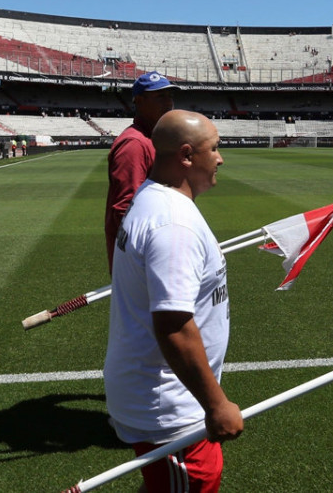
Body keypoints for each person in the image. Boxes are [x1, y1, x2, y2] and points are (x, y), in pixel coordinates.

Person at [104, 110, 239, 493]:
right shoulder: (174, 225)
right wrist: (217, 404)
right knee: (192, 484)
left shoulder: (154, 199)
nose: (220, 157)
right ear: (186, 155)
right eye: (214, 148)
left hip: (164, 394)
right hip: (169, 407)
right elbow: (174, 327)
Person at [104, 71, 178, 273]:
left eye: (170, 96)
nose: (168, 103)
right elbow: (126, 209)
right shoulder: (134, 144)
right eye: (160, 96)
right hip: (140, 262)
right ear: (139, 101)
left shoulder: (151, 138)